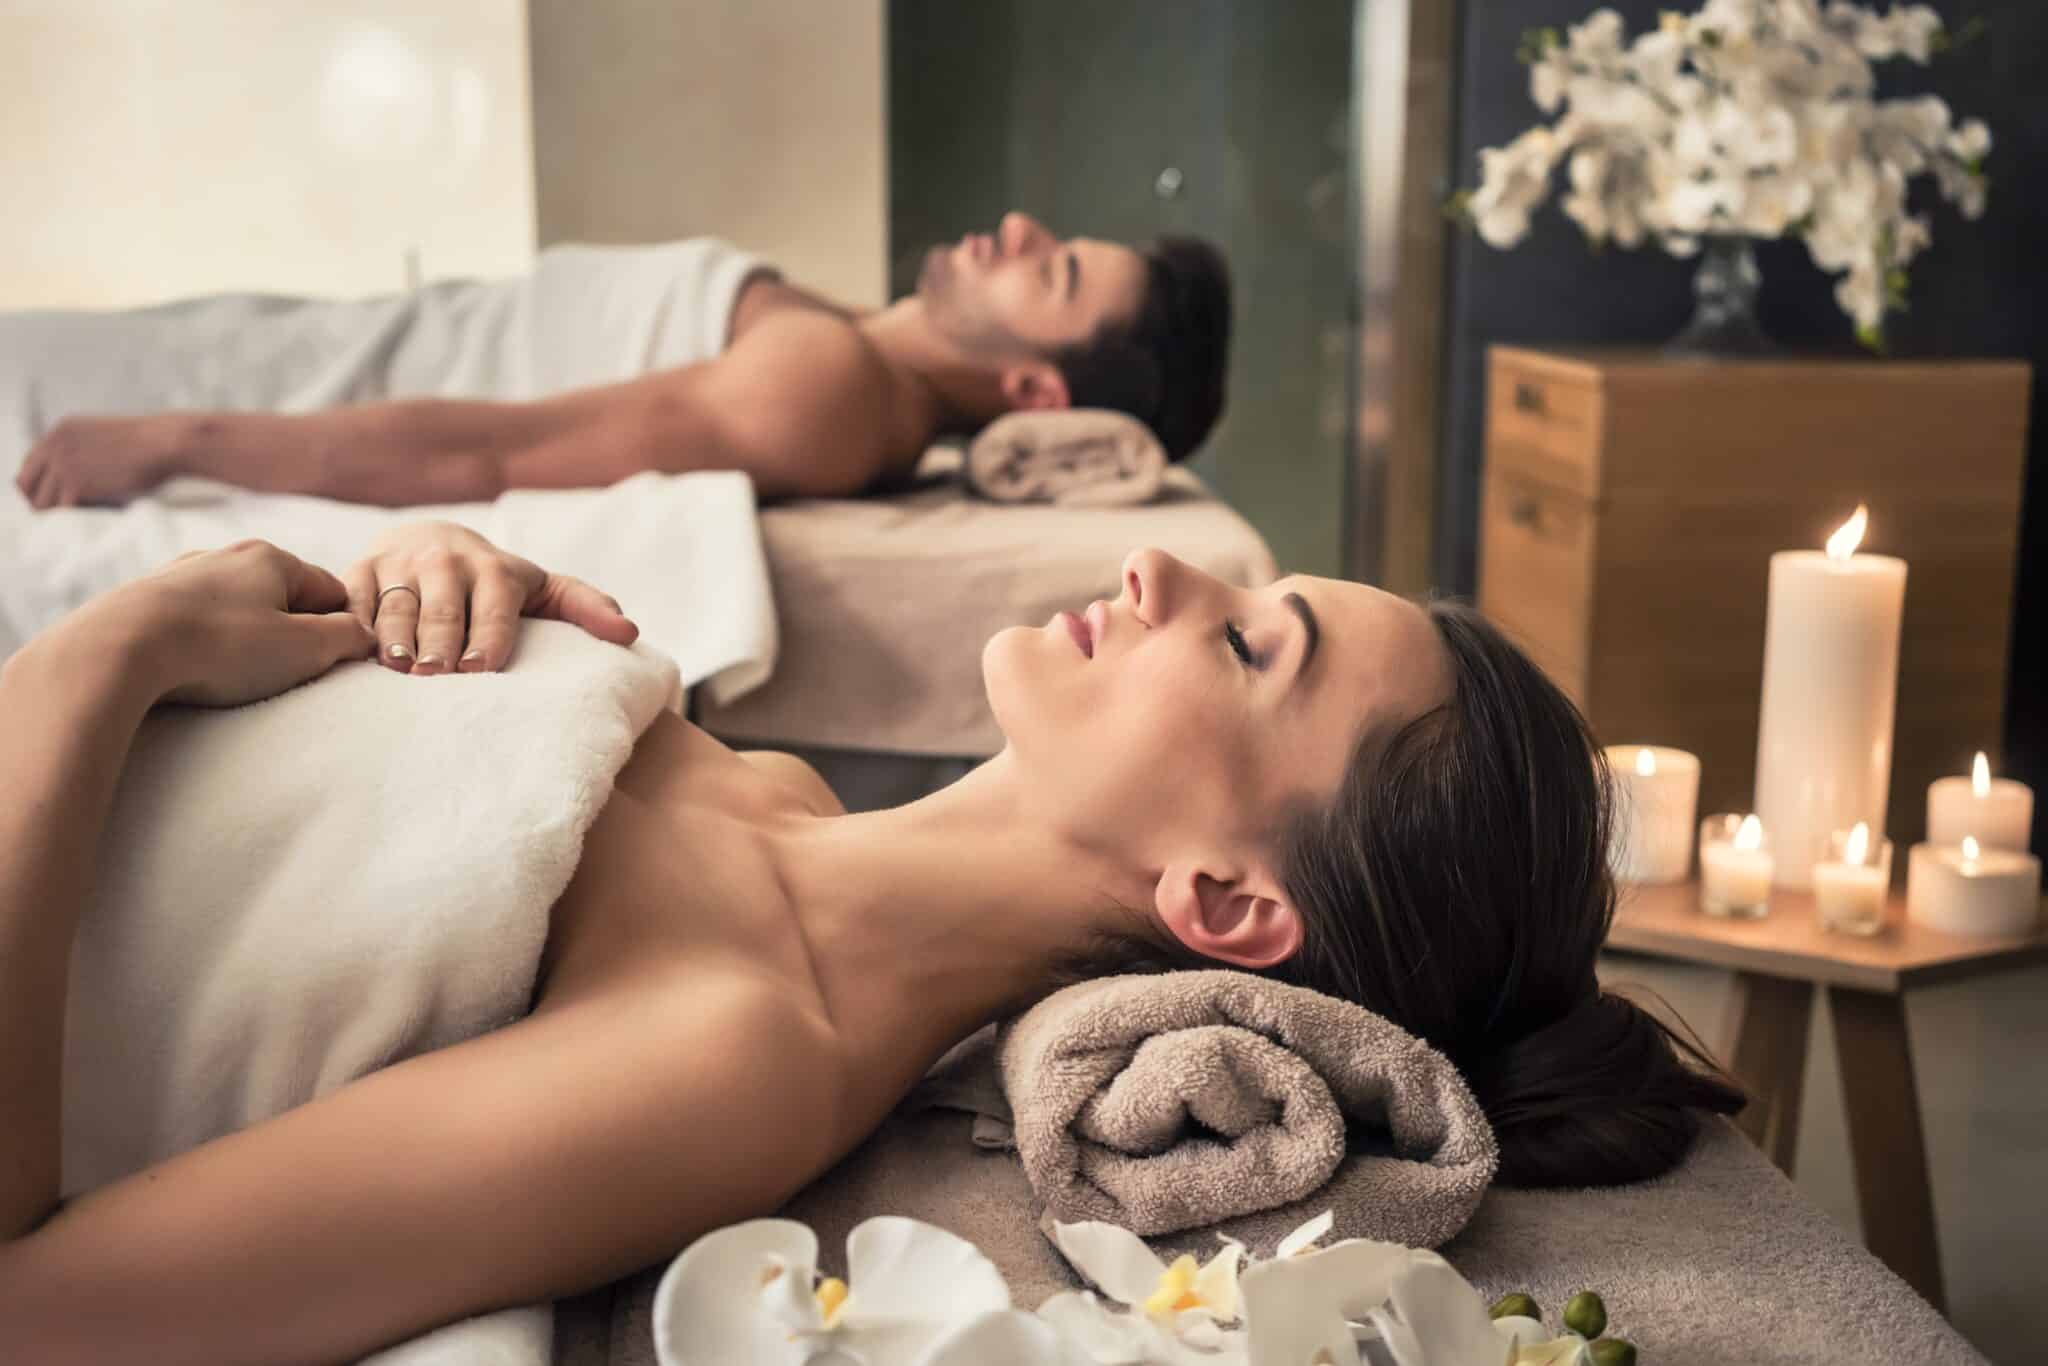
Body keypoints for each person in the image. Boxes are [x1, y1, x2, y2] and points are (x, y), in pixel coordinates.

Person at [0, 521, 1743, 1362]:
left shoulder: (742, 1055)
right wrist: (419, 588)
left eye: (1239, 650)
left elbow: (39, 1315)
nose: (1159, 574)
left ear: (1223, 907)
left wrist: (109, 653)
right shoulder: (755, 782)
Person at [11, 213, 1232, 511]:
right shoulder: (846, 341)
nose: (1018, 231)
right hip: (289, 347)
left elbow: (494, 452)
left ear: (1031, 391)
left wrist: (172, 439)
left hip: (243, 405)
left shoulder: (829, 393)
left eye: (1051, 272)